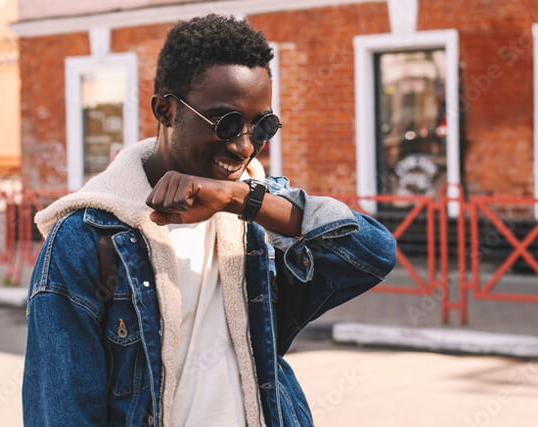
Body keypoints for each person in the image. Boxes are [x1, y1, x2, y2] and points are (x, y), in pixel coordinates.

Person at [22, 14, 397, 427]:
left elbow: (374, 252)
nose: (243, 146)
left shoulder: (258, 216)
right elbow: (62, 411)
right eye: (227, 123)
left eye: (262, 126)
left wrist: (241, 200)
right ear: (164, 110)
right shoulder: (87, 237)